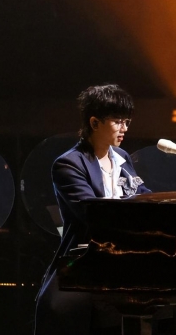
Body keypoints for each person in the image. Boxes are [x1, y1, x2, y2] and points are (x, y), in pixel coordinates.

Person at [35, 84, 151, 335]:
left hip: (126, 255)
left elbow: (142, 195)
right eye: (118, 121)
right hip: (86, 258)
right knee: (61, 312)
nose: (125, 128)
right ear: (95, 122)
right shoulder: (68, 164)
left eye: (127, 121)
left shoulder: (122, 158)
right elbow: (93, 214)